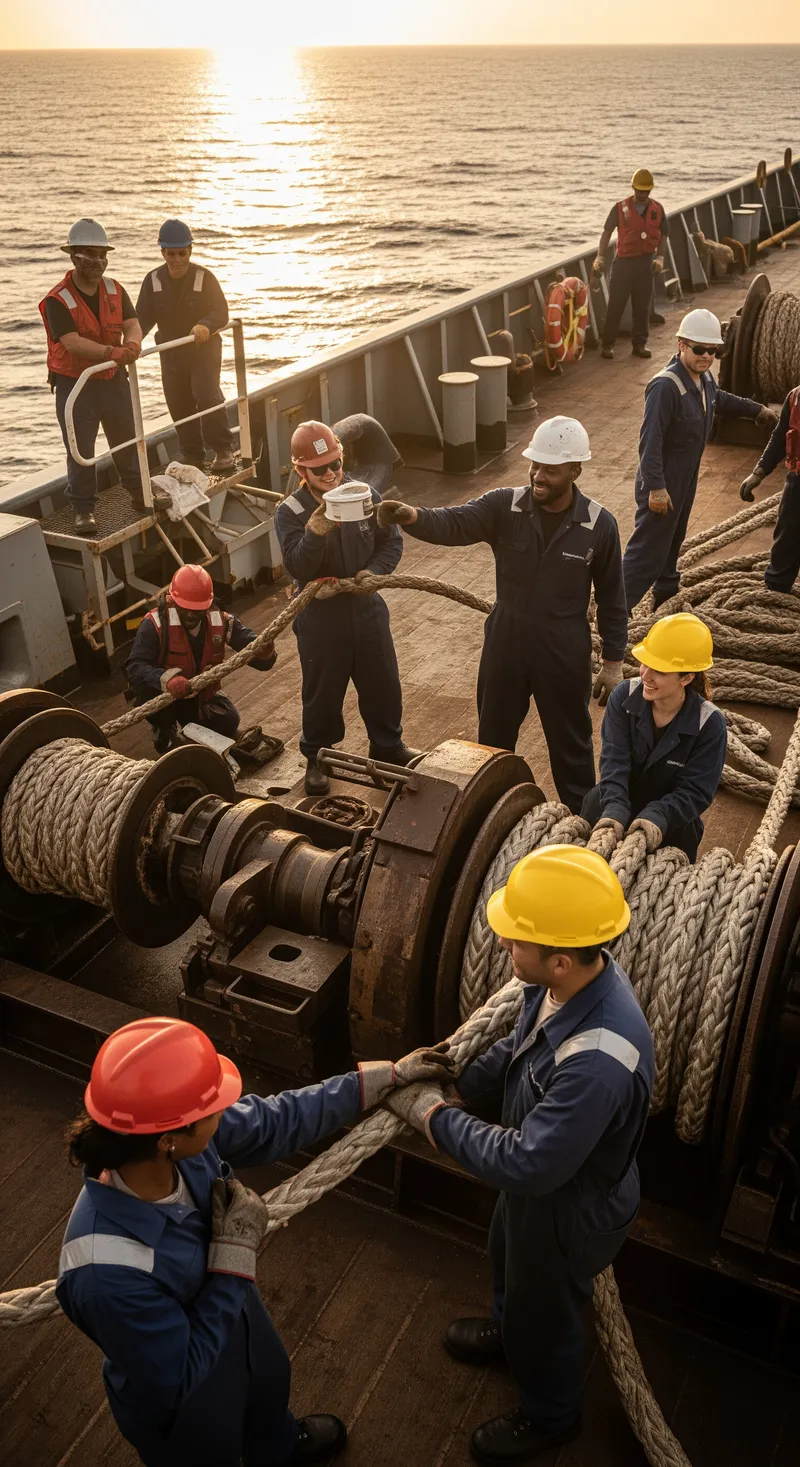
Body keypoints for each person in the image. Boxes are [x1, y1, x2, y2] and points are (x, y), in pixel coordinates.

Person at [57, 1015, 455, 1467]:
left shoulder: (170, 1144)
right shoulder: (103, 1273)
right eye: (213, 1110)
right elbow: (179, 1375)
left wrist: (380, 1080)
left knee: (267, 1380)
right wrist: (233, 1257)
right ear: (169, 1138)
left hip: (240, 1322)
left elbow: (273, 1120)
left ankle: (276, 1445)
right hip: (187, 1406)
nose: (224, 1113)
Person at [386, 846, 654, 1466]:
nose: (505, 949)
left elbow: (528, 1164)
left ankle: (550, 1414)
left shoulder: (597, 1061)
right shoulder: (566, 986)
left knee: (544, 1311)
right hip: (538, 1197)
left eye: (515, 944)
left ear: (558, 960)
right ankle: (511, 1337)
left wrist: (433, 1116)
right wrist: (460, 1085)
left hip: (567, 1209)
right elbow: (518, 1046)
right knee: (506, 1259)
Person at [378, 417, 628, 814]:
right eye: (535, 465)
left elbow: (614, 596)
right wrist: (413, 516)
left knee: (572, 747)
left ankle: (584, 826)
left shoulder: (599, 525)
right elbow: (455, 523)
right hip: (506, 641)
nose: (538, 475)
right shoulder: (503, 506)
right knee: (491, 744)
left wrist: (613, 662)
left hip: (563, 649)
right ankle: (486, 819)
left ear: (575, 470)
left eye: (550, 469)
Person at [274, 420, 414, 797]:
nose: (332, 473)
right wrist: (315, 534)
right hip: (321, 618)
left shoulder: (364, 494)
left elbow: (391, 542)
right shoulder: (290, 513)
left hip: (366, 606)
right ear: (301, 470)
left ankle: (387, 747)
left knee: (383, 680)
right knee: (322, 690)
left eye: (337, 462)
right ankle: (317, 757)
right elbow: (298, 568)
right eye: (321, 468)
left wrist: (375, 572)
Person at [621, 309, 776, 614]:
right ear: (681, 345)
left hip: (685, 478)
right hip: (663, 481)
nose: (707, 356)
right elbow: (649, 442)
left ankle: (667, 597)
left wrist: (757, 410)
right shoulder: (665, 387)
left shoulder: (702, 376)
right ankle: (615, 613)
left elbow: (720, 399)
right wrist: (656, 488)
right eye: (699, 349)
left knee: (673, 540)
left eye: (712, 351)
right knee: (646, 554)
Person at [582, 613, 726, 861]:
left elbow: (695, 792)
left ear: (687, 677)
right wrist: (614, 809)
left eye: (659, 670)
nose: (646, 675)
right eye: (645, 663)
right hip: (611, 803)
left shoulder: (709, 725)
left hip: (672, 823)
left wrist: (657, 816)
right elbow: (614, 762)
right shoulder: (623, 697)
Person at [39, 218, 144, 537]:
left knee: (127, 438)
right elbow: (71, 342)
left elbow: (132, 322)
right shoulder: (58, 300)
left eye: (102, 255)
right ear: (74, 257)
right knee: (80, 449)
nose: (98, 262)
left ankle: (142, 495)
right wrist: (111, 353)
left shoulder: (115, 288)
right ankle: (84, 511)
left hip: (113, 381)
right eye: (90, 255)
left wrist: (133, 344)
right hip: (76, 385)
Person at [126, 564, 276, 755]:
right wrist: (166, 679)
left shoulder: (221, 621)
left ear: (207, 605)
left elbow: (261, 659)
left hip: (199, 692)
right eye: (184, 608)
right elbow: (135, 668)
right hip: (165, 696)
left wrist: (265, 650)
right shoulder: (154, 624)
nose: (190, 615)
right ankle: (164, 731)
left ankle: (194, 724)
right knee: (171, 740)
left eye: (196, 610)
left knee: (229, 721)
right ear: (173, 600)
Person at [136, 220, 235, 474]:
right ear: (163, 253)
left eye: (182, 253)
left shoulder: (205, 277)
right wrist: (131, 342)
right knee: (178, 402)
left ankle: (223, 449)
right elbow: (142, 319)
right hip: (171, 355)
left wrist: (205, 324)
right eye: (171, 254)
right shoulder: (153, 281)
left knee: (206, 394)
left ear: (190, 251)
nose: (177, 259)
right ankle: (192, 455)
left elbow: (220, 312)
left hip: (203, 351)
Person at [593, 168, 668, 361]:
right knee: (616, 305)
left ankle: (639, 344)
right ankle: (608, 345)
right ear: (633, 188)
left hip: (645, 263)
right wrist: (600, 256)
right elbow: (607, 232)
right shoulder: (619, 208)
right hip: (624, 264)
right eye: (640, 191)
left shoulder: (658, 210)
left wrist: (660, 258)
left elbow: (664, 235)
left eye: (646, 191)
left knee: (642, 306)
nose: (643, 195)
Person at [739, 382, 800, 592]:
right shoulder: (795, 397)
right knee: (787, 532)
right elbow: (780, 436)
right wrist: (758, 473)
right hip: (798, 480)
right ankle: (776, 588)